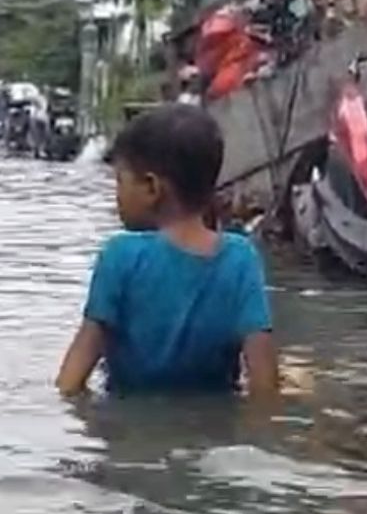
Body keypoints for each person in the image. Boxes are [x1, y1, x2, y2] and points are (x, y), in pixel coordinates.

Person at [56, 104, 279, 398]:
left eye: (120, 181)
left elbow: (70, 382)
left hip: (129, 434)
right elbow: (264, 387)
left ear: (151, 187)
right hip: (212, 435)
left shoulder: (120, 255)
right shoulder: (240, 258)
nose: (117, 195)